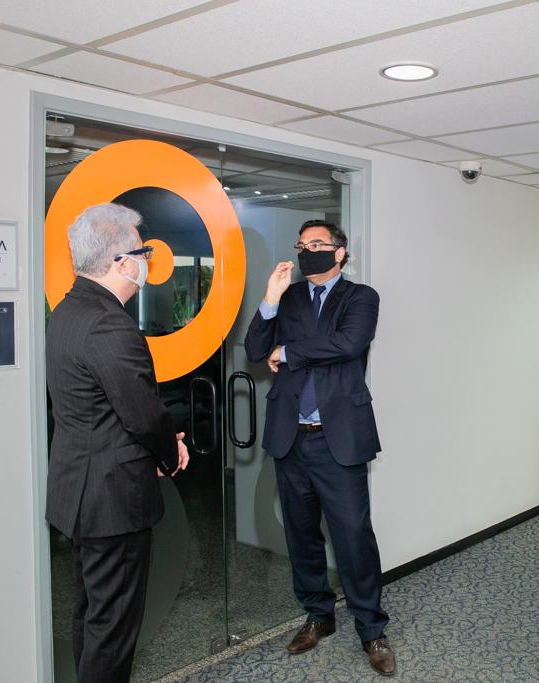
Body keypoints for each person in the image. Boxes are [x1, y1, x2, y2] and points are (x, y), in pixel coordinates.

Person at [46, 203, 189, 683]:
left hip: (80, 491)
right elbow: (141, 413)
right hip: (111, 499)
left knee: (94, 614)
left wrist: (155, 440)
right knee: (112, 628)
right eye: (144, 253)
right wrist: (170, 452)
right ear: (122, 263)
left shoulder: (69, 309)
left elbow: (102, 409)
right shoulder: (109, 322)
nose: (147, 261)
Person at [244, 219, 394, 676]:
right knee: (301, 534)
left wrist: (288, 351)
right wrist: (270, 299)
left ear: (339, 252)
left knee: (353, 537)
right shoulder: (288, 298)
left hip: (338, 439)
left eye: (317, 244)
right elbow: (255, 348)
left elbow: (348, 343)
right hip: (291, 437)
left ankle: (372, 629)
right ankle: (318, 615)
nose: (307, 251)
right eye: (302, 244)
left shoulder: (360, 297)